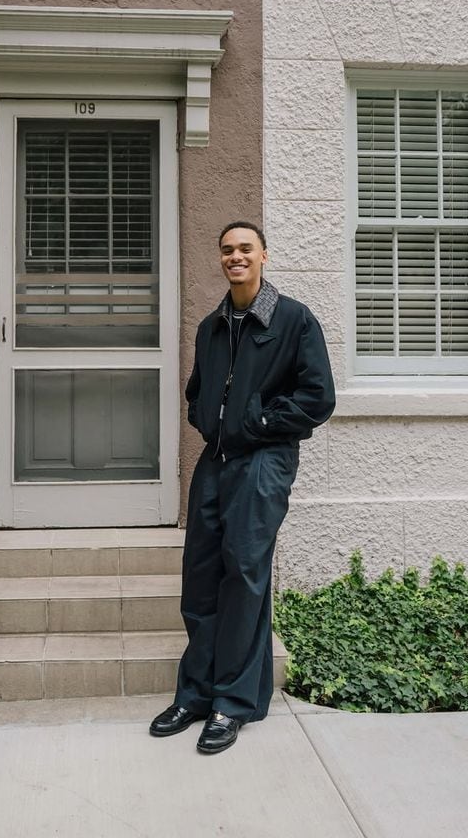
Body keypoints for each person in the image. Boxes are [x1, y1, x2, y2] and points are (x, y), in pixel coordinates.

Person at [149, 221, 335, 754]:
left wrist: (254, 423)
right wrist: (211, 420)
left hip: (264, 460)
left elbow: (317, 399)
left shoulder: (293, 320)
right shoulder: (212, 325)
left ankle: (231, 703)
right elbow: (196, 392)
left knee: (244, 575)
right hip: (217, 459)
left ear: (263, 257)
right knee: (201, 575)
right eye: (227, 249)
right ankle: (195, 694)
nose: (235, 257)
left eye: (245, 249)